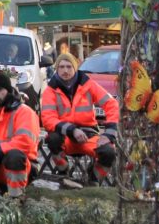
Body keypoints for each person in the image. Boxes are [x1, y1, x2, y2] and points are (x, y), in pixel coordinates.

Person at [41, 52, 118, 180]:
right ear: (56, 69)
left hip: (89, 135)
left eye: (69, 66)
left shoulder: (89, 85)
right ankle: (63, 173)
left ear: (75, 68)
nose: (65, 70)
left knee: (109, 153)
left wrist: (109, 134)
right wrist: (72, 130)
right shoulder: (50, 90)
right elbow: (48, 119)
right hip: (64, 136)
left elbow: (112, 105)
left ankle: (93, 180)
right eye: (61, 67)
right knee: (52, 139)